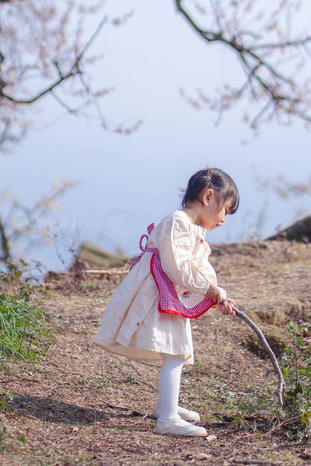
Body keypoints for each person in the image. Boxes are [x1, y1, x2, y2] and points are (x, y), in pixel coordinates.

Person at [94, 167, 239, 437]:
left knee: (178, 351)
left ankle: (165, 406)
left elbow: (200, 267)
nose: (223, 220)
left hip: (169, 294)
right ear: (209, 197)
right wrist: (210, 290)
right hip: (156, 295)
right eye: (225, 211)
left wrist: (217, 292)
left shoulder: (193, 229)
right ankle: (167, 419)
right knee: (175, 352)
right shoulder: (177, 222)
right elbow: (178, 267)